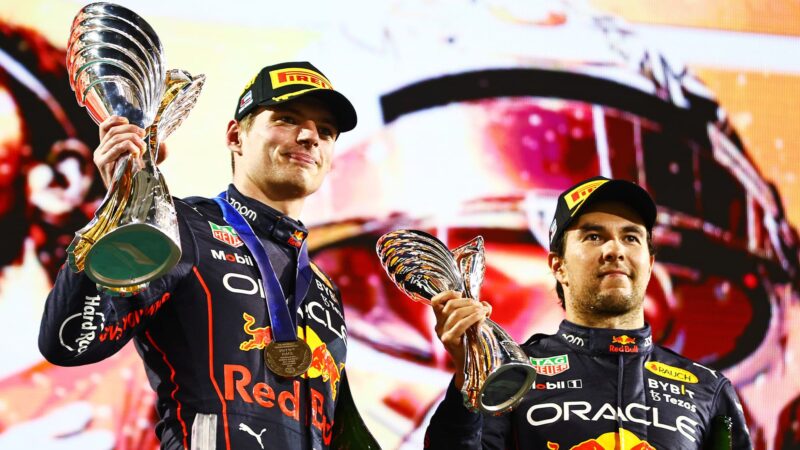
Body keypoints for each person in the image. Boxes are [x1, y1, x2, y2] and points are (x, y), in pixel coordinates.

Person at [38, 61, 363, 450]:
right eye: (287, 119)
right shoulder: (180, 226)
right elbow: (70, 341)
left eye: (326, 131)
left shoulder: (324, 288)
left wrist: (459, 384)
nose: (310, 135)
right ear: (235, 136)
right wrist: (115, 217)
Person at [424, 176, 753, 449]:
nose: (615, 250)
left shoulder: (708, 390)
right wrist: (469, 378)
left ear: (650, 264)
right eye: (594, 236)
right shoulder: (513, 374)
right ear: (559, 266)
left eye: (631, 237)